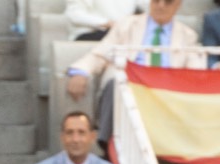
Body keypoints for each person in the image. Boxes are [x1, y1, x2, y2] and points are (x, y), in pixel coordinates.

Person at [66, 1, 203, 147]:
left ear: (178, 5)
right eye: (156, 0)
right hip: (130, 82)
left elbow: (195, 71)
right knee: (115, 84)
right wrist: (80, 72)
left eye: (168, 1)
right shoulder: (127, 25)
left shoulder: (187, 36)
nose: (161, 6)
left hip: (165, 90)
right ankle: (106, 145)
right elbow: (101, 53)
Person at [65, 0, 140, 40]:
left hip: (122, 30)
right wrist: (107, 23)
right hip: (89, 33)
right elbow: (74, 15)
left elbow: (147, 5)